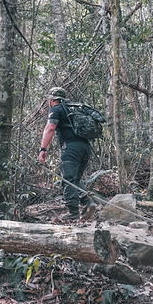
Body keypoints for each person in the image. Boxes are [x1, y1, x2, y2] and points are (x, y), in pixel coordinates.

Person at [37, 87, 92, 220]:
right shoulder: (75, 109)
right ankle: (89, 204)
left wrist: (43, 149)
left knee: (68, 179)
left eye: (49, 99)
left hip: (71, 148)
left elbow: (50, 128)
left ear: (52, 99)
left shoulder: (57, 109)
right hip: (86, 147)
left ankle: (73, 213)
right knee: (75, 180)